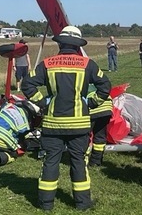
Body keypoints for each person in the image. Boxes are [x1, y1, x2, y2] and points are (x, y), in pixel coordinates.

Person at [22, 26, 111, 212]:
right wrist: (91, 104)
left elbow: (28, 84)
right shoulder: (88, 64)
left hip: (53, 124)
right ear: (78, 45)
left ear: (60, 43)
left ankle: (46, 204)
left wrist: (43, 103)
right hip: (79, 124)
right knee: (78, 162)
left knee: (51, 161)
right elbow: (105, 85)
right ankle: (83, 203)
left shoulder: (47, 64)